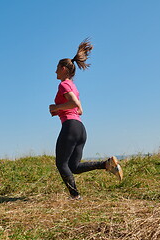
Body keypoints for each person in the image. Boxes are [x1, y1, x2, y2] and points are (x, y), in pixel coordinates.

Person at [49, 38, 123, 200]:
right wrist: (61, 110)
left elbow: (74, 104)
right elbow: (79, 110)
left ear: (63, 69)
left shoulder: (63, 85)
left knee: (61, 164)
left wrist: (56, 108)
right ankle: (106, 164)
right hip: (80, 128)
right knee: (73, 166)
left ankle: (75, 196)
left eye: (56, 68)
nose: (55, 72)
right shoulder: (74, 87)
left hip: (70, 128)